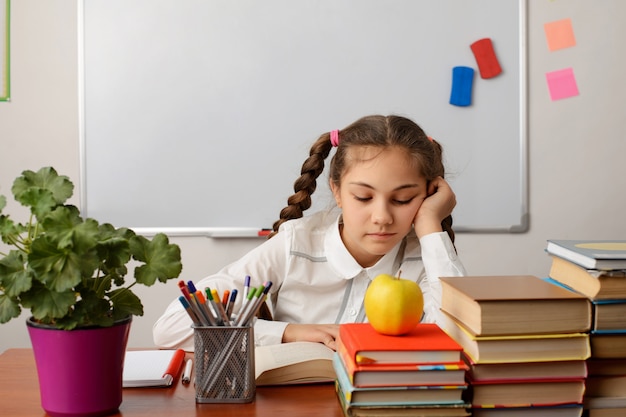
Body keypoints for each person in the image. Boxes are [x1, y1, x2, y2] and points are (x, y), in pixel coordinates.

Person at [153, 114, 466, 351]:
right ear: (337, 191)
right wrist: (286, 333)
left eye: (402, 199)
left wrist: (429, 226)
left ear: (427, 195)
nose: (382, 217)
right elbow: (171, 328)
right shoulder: (295, 244)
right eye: (363, 197)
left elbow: (463, 340)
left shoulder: (424, 256)